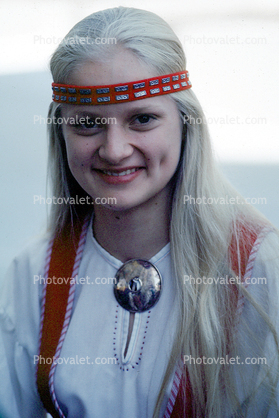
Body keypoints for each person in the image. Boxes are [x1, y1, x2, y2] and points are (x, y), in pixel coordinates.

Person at [0, 6, 278, 418]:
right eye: (87, 124)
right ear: (61, 131)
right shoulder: (34, 273)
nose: (114, 150)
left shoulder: (259, 268)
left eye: (142, 119)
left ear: (185, 122)